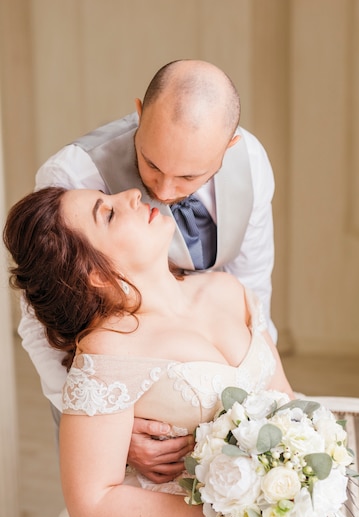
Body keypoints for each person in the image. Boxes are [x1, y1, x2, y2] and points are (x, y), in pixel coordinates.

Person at [1, 186, 359, 517]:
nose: (129, 195)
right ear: (94, 274)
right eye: (106, 213)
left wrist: (298, 483)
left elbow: (287, 402)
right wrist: (237, 512)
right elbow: (92, 500)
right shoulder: (109, 348)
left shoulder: (227, 291)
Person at [18, 59, 277, 483]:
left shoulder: (251, 161)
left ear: (227, 148)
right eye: (151, 164)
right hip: (120, 386)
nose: (162, 191)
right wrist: (109, 425)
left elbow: (253, 287)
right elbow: (39, 319)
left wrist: (261, 399)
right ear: (139, 113)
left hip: (214, 377)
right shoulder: (72, 174)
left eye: (189, 176)